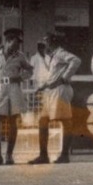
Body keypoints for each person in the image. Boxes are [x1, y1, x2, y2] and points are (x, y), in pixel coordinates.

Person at [30, 33, 82, 165]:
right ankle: (43, 155)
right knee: (43, 121)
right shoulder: (52, 56)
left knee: (65, 121)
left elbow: (76, 60)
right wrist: (43, 86)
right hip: (51, 91)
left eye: (46, 41)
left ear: (52, 42)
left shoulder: (60, 53)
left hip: (60, 90)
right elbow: (53, 75)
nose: (44, 44)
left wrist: (65, 76)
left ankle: (64, 155)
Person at [0, 30, 29, 166]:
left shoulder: (20, 56)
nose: (18, 46)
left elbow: (30, 70)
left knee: (13, 122)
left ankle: (9, 155)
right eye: (16, 42)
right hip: (0, 89)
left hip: (14, 88)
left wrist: (20, 77)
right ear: (8, 41)